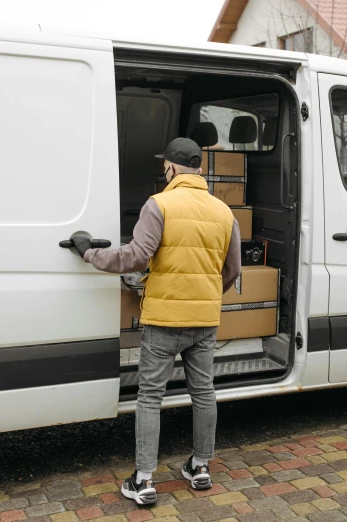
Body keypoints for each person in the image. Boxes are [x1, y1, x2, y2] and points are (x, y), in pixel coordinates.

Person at [71, 137, 241, 505]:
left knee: (150, 396)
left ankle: (144, 481)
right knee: (204, 392)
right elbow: (233, 270)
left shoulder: (159, 204)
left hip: (164, 319)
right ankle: (200, 468)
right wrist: (207, 295)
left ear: (170, 168)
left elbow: (135, 256)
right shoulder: (223, 211)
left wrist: (89, 253)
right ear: (199, 168)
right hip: (205, 319)